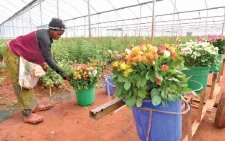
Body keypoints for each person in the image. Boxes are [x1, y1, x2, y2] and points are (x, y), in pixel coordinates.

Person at [3, 18, 70, 124]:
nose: (59, 36)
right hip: (13, 52)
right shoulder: (45, 38)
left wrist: (42, 62)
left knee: (28, 81)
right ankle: (27, 114)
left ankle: (34, 106)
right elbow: (48, 59)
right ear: (52, 30)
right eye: (59, 34)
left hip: (20, 53)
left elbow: (39, 51)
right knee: (20, 83)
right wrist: (63, 75)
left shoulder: (45, 35)